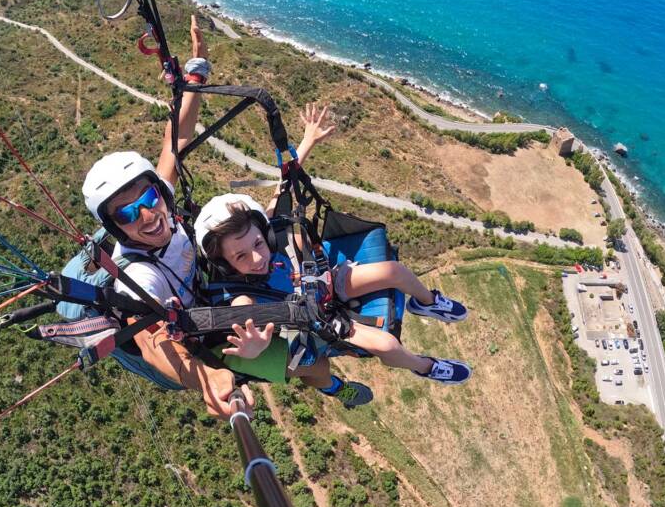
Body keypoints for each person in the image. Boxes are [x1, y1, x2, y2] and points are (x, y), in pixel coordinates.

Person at [193, 104, 473, 392]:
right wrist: (254, 346)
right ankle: (424, 366)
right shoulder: (241, 297)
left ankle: (425, 302)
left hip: (326, 281)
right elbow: (242, 317)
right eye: (240, 256)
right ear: (226, 264)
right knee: (387, 343)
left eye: (258, 244)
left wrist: (308, 140)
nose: (257, 257)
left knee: (395, 271)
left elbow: (285, 186)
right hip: (324, 319)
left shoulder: (267, 230)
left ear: (264, 234)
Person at [81, 16, 255, 419]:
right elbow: (149, 340)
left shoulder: (162, 201)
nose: (147, 214)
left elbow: (175, 141)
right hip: (180, 348)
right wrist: (206, 379)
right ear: (114, 228)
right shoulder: (140, 277)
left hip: (199, 298)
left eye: (148, 196)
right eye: (127, 212)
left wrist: (197, 70)